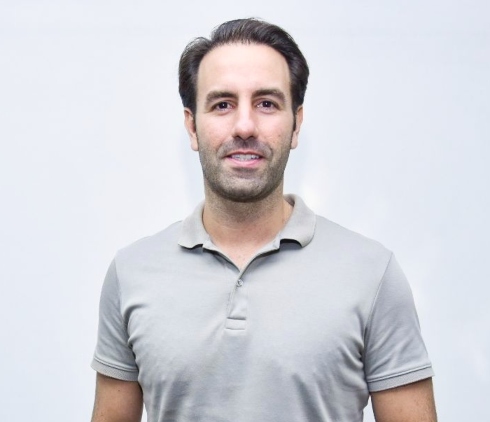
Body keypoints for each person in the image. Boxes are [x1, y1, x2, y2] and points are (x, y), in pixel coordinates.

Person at [91, 18, 437, 422]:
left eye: (267, 103)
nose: (244, 126)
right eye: (222, 104)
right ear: (192, 127)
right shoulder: (132, 272)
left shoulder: (372, 273)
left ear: (296, 124)